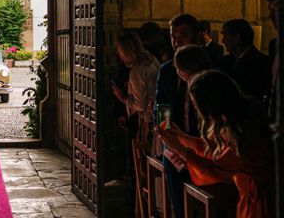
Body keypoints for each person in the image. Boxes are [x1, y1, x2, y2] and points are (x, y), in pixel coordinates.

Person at [157, 70, 274, 218]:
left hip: (260, 202)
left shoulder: (243, 132)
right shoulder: (239, 114)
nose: (196, 110)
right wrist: (182, 137)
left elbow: (215, 169)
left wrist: (180, 149)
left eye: (196, 105)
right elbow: (214, 147)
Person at [154, 13, 202, 218]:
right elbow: (161, 104)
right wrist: (165, 135)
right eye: (173, 36)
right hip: (174, 148)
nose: (176, 41)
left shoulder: (210, 64)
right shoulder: (166, 70)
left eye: (183, 35)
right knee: (179, 204)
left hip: (202, 144)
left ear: (197, 36)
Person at [111, 32, 159, 216]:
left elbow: (139, 103)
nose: (119, 55)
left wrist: (122, 97)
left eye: (120, 51)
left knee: (141, 168)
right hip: (153, 120)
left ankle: (141, 207)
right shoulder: (151, 60)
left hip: (144, 123)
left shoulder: (138, 70)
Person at [221, 19, 271, 107]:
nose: (223, 41)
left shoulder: (261, 63)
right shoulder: (225, 61)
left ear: (237, 38)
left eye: (225, 36)